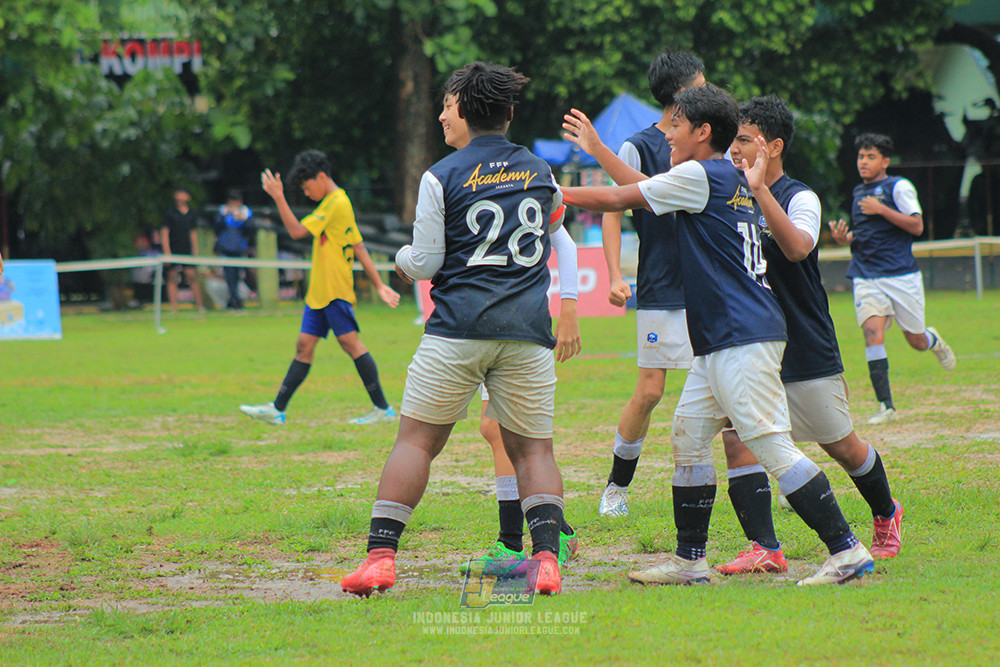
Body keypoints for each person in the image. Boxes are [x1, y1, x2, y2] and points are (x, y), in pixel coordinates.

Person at [561, 84, 874, 586]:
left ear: (702, 132)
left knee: (771, 444)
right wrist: (598, 154)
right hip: (727, 336)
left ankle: (847, 550)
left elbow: (622, 196)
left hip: (740, 334)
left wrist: (550, 192)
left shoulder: (698, 173)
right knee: (688, 437)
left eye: (676, 125)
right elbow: (641, 190)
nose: (666, 133)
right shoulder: (725, 174)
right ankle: (690, 561)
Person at [340, 62, 569, 597]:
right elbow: (555, 231)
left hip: (458, 329)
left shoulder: (440, 175)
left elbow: (424, 262)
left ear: (465, 109)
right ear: (508, 113)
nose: (442, 114)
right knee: (535, 451)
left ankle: (379, 559)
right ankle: (546, 562)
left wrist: (398, 257)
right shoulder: (541, 170)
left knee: (417, 441)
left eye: (447, 105)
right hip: (528, 330)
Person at [714, 96, 904, 576]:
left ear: (774, 146)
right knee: (737, 435)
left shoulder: (801, 197)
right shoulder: (729, 192)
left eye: (744, 140)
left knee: (841, 444)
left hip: (804, 338)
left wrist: (759, 193)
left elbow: (798, 248)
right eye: (733, 139)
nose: (734, 149)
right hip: (752, 338)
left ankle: (886, 513)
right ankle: (765, 546)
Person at [435, 83, 581, 575]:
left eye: (449, 107)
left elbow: (563, 242)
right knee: (500, 430)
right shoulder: (475, 172)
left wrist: (569, 307)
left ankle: (531, 540)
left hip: (505, 324)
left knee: (519, 436)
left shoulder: (506, 172)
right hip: (498, 323)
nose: (442, 116)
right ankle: (539, 536)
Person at [564, 52, 703, 518]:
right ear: (681, 94)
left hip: (710, 284)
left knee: (730, 388)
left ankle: (767, 481)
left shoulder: (710, 142)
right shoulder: (638, 146)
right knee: (649, 392)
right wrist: (615, 274)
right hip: (662, 284)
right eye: (701, 85)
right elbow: (614, 206)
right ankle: (616, 487)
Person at [240, 150, 400, 426]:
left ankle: (382, 408)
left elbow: (297, 232)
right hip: (319, 292)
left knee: (350, 344)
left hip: (334, 290)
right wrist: (379, 285)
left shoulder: (336, 203)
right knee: (304, 346)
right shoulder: (335, 203)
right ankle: (277, 409)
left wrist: (279, 196)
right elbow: (359, 246)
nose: (307, 192)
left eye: (307, 186)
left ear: (322, 177)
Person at [829, 133, 955, 424]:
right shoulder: (859, 192)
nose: (863, 162)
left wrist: (881, 208)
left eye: (870, 156)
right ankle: (886, 406)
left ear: (885, 161)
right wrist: (842, 238)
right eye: (861, 156)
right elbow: (864, 237)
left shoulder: (898, 187)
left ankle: (933, 340)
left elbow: (917, 225)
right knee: (872, 333)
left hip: (901, 276)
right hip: (866, 274)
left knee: (915, 340)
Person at [161, 188, 206, 313]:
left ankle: (200, 306)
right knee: (172, 276)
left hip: (187, 249)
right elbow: (165, 232)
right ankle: (174, 307)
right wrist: (167, 252)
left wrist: (195, 250)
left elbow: (193, 233)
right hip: (173, 248)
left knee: (191, 276)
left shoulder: (192, 213)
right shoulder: (170, 213)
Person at [215, 189, 252, 310]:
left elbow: (250, 229)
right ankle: (234, 299)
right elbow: (217, 227)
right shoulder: (222, 211)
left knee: (237, 275)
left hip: (239, 248)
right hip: (226, 248)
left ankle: (235, 299)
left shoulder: (246, 212)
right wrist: (225, 215)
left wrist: (243, 219)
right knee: (229, 275)